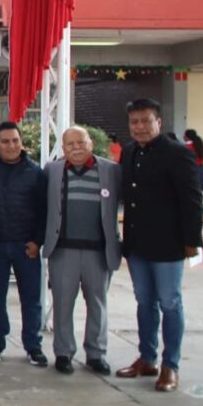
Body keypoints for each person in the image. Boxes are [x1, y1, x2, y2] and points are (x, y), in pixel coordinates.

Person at [117, 98, 203, 392]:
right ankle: (147, 357)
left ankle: (171, 365)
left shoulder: (178, 153)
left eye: (146, 121)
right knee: (144, 301)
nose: (140, 127)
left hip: (169, 244)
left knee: (170, 302)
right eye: (134, 122)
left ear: (159, 122)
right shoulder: (128, 153)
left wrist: (192, 241)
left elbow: (192, 200)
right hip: (137, 243)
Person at [43, 126, 122, 376]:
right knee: (63, 303)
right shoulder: (52, 170)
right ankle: (63, 353)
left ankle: (96, 354)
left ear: (91, 143)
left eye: (81, 142)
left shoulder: (111, 170)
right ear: (63, 148)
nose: (76, 148)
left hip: (98, 251)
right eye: (70, 144)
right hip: (63, 249)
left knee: (98, 303)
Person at [0, 121, 48, 367]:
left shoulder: (35, 172)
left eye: (15, 140)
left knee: (31, 298)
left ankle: (33, 346)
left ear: (22, 142)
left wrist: (37, 241)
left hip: (25, 245)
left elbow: (44, 211)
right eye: (5, 141)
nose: (11, 146)